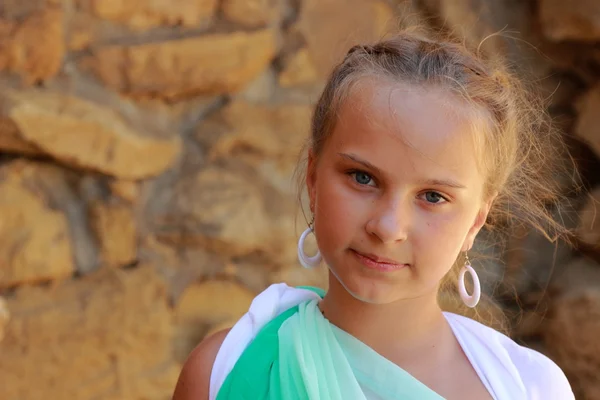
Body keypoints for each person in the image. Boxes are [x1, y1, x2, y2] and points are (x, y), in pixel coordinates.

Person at [173, 28, 577, 400]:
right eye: (362, 177)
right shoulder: (223, 371)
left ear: (475, 222)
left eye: (433, 197)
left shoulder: (529, 389)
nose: (387, 227)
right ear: (313, 180)